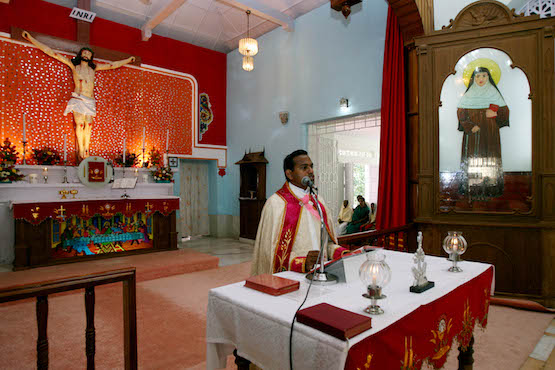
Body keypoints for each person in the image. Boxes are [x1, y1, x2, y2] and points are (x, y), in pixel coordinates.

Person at [22, 31, 136, 162]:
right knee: (80, 125)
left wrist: (128, 60)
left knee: (89, 124)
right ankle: (81, 148)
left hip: (90, 100)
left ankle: (86, 148)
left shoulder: (94, 68)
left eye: (89, 53)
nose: (86, 55)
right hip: (78, 98)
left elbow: (112, 65)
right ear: (81, 54)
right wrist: (30, 38)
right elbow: (52, 53)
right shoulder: (74, 66)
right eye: (84, 53)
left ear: (91, 56)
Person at [251, 149, 348, 276]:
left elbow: (327, 244)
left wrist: (341, 252)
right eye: (304, 167)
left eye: (311, 166)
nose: (311, 171)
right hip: (292, 276)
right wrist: (302, 263)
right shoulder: (276, 204)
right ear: (289, 174)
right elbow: (269, 252)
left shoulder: (318, 201)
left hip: (321, 273)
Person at [457, 66, 509, 200]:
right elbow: (461, 114)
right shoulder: (468, 95)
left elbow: (505, 113)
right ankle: (473, 190)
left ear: (488, 77)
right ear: (473, 79)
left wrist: (496, 113)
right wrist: (469, 126)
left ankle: (490, 190)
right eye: (478, 76)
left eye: (484, 76)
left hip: (490, 134)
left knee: (490, 158)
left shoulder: (494, 93)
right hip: (473, 135)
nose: (481, 79)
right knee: (473, 159)